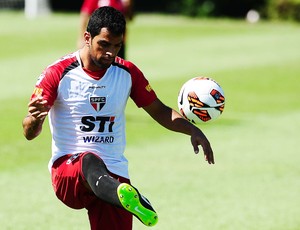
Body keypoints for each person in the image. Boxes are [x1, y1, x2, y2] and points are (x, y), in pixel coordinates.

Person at [22, 6, 214, 230]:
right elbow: (29, 133)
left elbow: (160, 110)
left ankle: (122, 195)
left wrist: (192, 129)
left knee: (109, 182)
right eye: (103, 44)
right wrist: (35, 120)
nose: (110, 53)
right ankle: (122, 194)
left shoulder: (128, 72)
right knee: (89, 160)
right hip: (68, 171)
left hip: (114, 178)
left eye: (116, 46)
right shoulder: (58, 73)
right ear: (87, 37)